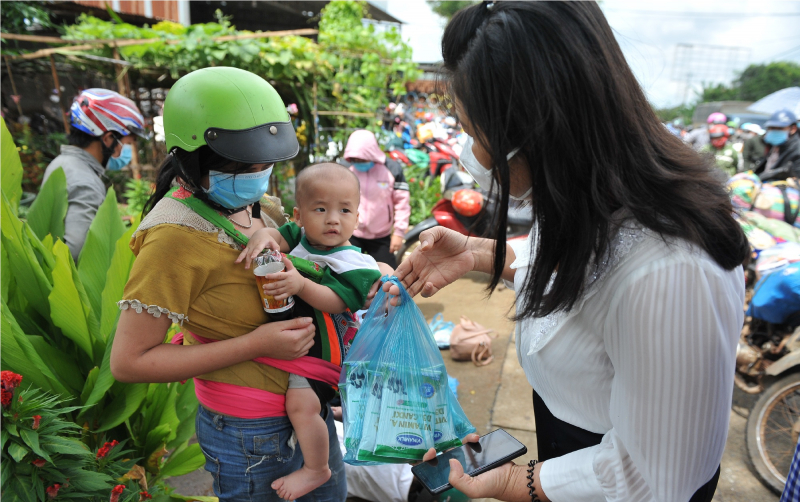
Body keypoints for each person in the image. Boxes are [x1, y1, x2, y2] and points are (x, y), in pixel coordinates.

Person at [387, 3, 748, 501]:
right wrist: (478, 252)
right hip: (570, 454)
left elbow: (658, 476)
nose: (470, 153)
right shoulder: (583, 200)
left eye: (475, 135)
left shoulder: (673, 270)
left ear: (539, 133)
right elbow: (576, 279)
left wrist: (519, 480)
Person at [110, 67, 389, 501]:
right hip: (250, 434)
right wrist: (256, 344)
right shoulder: (173, 236)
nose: (259, 175)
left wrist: (375, 273)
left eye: (265, 163)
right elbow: (129, 361)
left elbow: (324, 257)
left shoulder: (257, 206)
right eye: (245, 166)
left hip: (310, 406)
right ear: (195, 158)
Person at [236, 163, 382, 500]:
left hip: (327, 353)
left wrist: (300, 283)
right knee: (305, 405)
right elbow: (274, 236)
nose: (333, 219)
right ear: (300, 215)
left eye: (344, 210)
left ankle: (317, 468)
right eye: (321, 209)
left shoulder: (355, 264)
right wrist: (262, 236)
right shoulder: (298, 236)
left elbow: (336, 301)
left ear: (357, 218)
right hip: (302, 345)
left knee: (301, 406)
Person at [42, 88, 147, 261]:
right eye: (127, 143)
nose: (125, 150)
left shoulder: (60, 164)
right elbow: (76, 253)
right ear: (108, 139)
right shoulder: (85, 182)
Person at [342, 129, 411, 268]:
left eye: (363, 159)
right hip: (351, 234)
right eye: (355, 159)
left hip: (381, 237)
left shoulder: (392, 169)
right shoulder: (345, 169)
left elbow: (402, 203)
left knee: (388, 278)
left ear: (372, 152)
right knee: (347, 276)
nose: (359, 162)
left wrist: (398, 233)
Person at [755, 109, 800, 182]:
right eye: (771, 128)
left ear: (793, 129)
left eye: (780, 128)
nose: (774, 131)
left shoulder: (797, 150)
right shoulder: (773, 145)